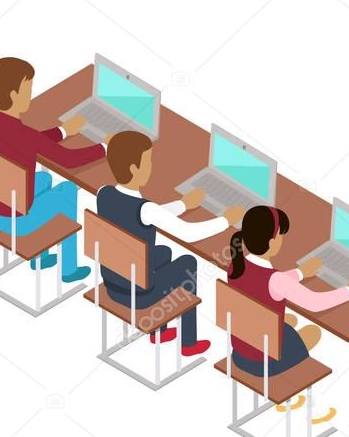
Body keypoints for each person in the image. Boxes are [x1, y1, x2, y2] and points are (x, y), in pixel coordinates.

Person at [97, 131, 244, 356]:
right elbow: (188, 233)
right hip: (139, 294)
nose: (151, 166)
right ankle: (188, 342)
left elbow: (150, 215)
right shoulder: (146, 209)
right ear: (135, 169)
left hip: (113, 280)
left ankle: (160, 332)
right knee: (188, 262)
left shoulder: (103, 194)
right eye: (148, 161)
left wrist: (183, 205)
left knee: (163, 251)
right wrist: (227, 220)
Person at [0, 57, 104, 283]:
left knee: (43, 177)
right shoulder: (24, 136)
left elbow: (28, 141)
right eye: (28, 88)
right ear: (15, 95)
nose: (30, 94)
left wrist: (63, 131)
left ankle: (41, 257)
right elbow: (69, 160)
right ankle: (68, 269)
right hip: (17, 221)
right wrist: (103, 148)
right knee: (68, 190)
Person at [226, 205, 349, 377]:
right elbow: (315, 303)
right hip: (264, 364)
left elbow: (269, 283)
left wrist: (301, 273)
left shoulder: (236, 265)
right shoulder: (276, 280)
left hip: (240, 352)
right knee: (313, 332)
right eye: (281, 236)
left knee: (289, 320)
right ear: (272, 243)